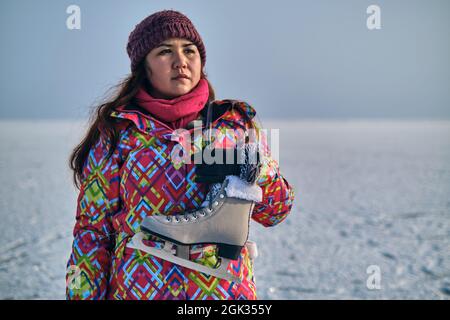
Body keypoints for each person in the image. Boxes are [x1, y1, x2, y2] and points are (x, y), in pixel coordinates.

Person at [66, 9, 295, 300]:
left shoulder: (233, 124)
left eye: (189, 50)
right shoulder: (117, 134)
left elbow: (277, 211)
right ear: (143, 68)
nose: (181, 62)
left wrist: (258, 170)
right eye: (164, 52)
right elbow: (92, 234)